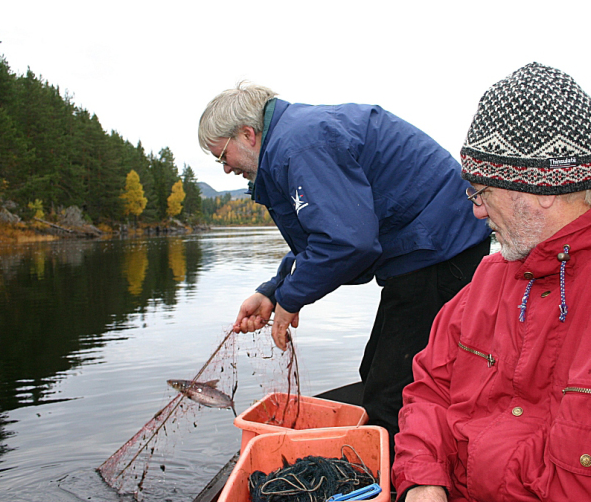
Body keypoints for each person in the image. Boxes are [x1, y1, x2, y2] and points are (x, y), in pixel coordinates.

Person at [392, 62, 591, 501]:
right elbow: (429, 390)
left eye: (482, 192)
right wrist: (423, 480)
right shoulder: (489, 280)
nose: (477, 212)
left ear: (540, 188)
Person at [197, 83, 491, 445]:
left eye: (222, 156)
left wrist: (292, 297)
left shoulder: (300, 145)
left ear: (248, 134)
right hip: (418, 250)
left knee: (392, 391)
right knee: (376, 372)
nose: (225, 169)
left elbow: (349, 243)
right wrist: (273, 292)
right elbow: (324, 238)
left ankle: (406, 483)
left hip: (442, 244)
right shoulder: (292, 144)